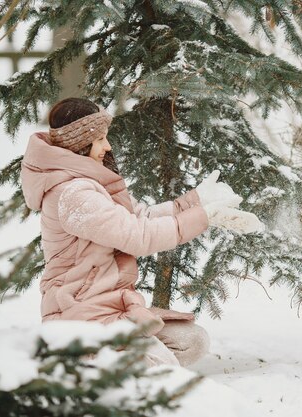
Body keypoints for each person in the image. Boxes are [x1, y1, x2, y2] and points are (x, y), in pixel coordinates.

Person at [21, 97, 263, 367]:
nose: (107, 146)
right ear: (79, 143)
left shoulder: (88, 180)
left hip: (109, 307)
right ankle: (85, 365)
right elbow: (138, 236)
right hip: (81, 316)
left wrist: (196, 201)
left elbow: (140, 217)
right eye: (100, 139)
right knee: (162, 369)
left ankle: (110, 364)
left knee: (191, 341)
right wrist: (205, 217)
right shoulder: (73, 193)